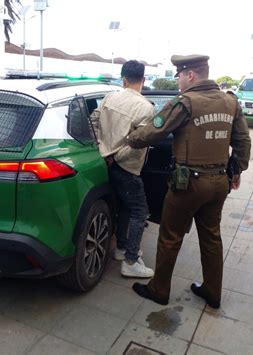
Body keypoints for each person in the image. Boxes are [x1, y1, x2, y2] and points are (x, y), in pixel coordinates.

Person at [126, 54, 251, 308]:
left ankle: (159, 290)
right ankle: (212, 292)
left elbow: (154, 131)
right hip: (218, 183)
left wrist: (130, 138)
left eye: (180, 76)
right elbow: (243, 141)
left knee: (170, 237)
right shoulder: (230, 102)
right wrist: (236, 171)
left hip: (188, 185)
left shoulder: (185, 102)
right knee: (212, 237)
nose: (179, 82)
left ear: (190, 75)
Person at [90, 60, 155, 278]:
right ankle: (131, 260)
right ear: (143, 80)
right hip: (126, 167)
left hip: (105, 162)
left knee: (126, 207)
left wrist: (104, 150)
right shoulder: (146, 108)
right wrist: (117, 158)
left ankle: (121, 248)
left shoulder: (110, 97)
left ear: (123, 79)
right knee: (139, 211)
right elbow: (137, 144)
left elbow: (94, 120)